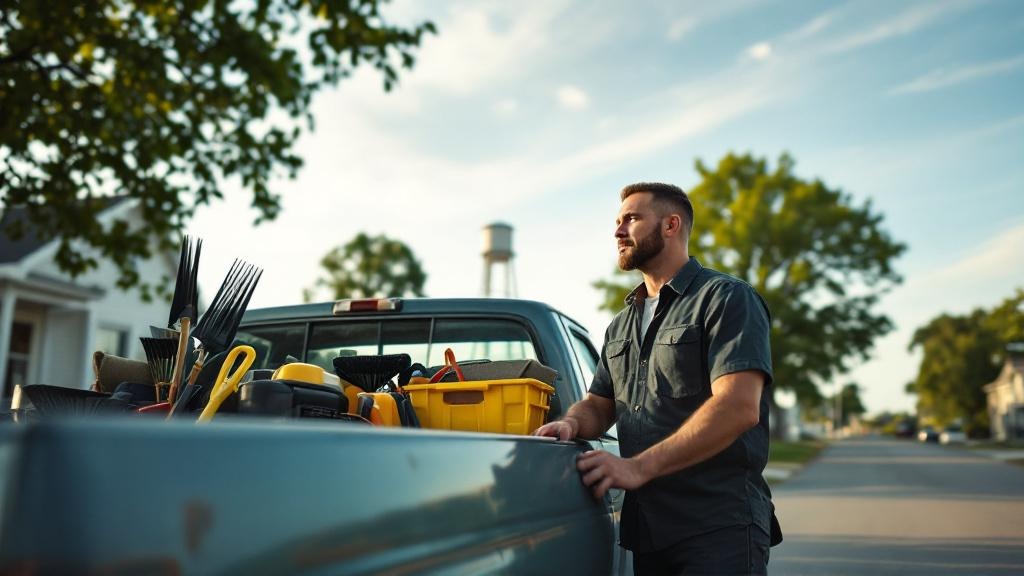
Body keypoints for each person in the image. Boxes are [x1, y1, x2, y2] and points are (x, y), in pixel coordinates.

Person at [534, 182, 779, 575]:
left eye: (631, 219)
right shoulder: (621, 323)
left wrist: (639, 467)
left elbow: (738, 406)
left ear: (670, 225)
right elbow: (600, 403)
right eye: (617, 221)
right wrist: (571, 422)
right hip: (648, 532)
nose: (617, 231)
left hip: (718, 529)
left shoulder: (726, 298)